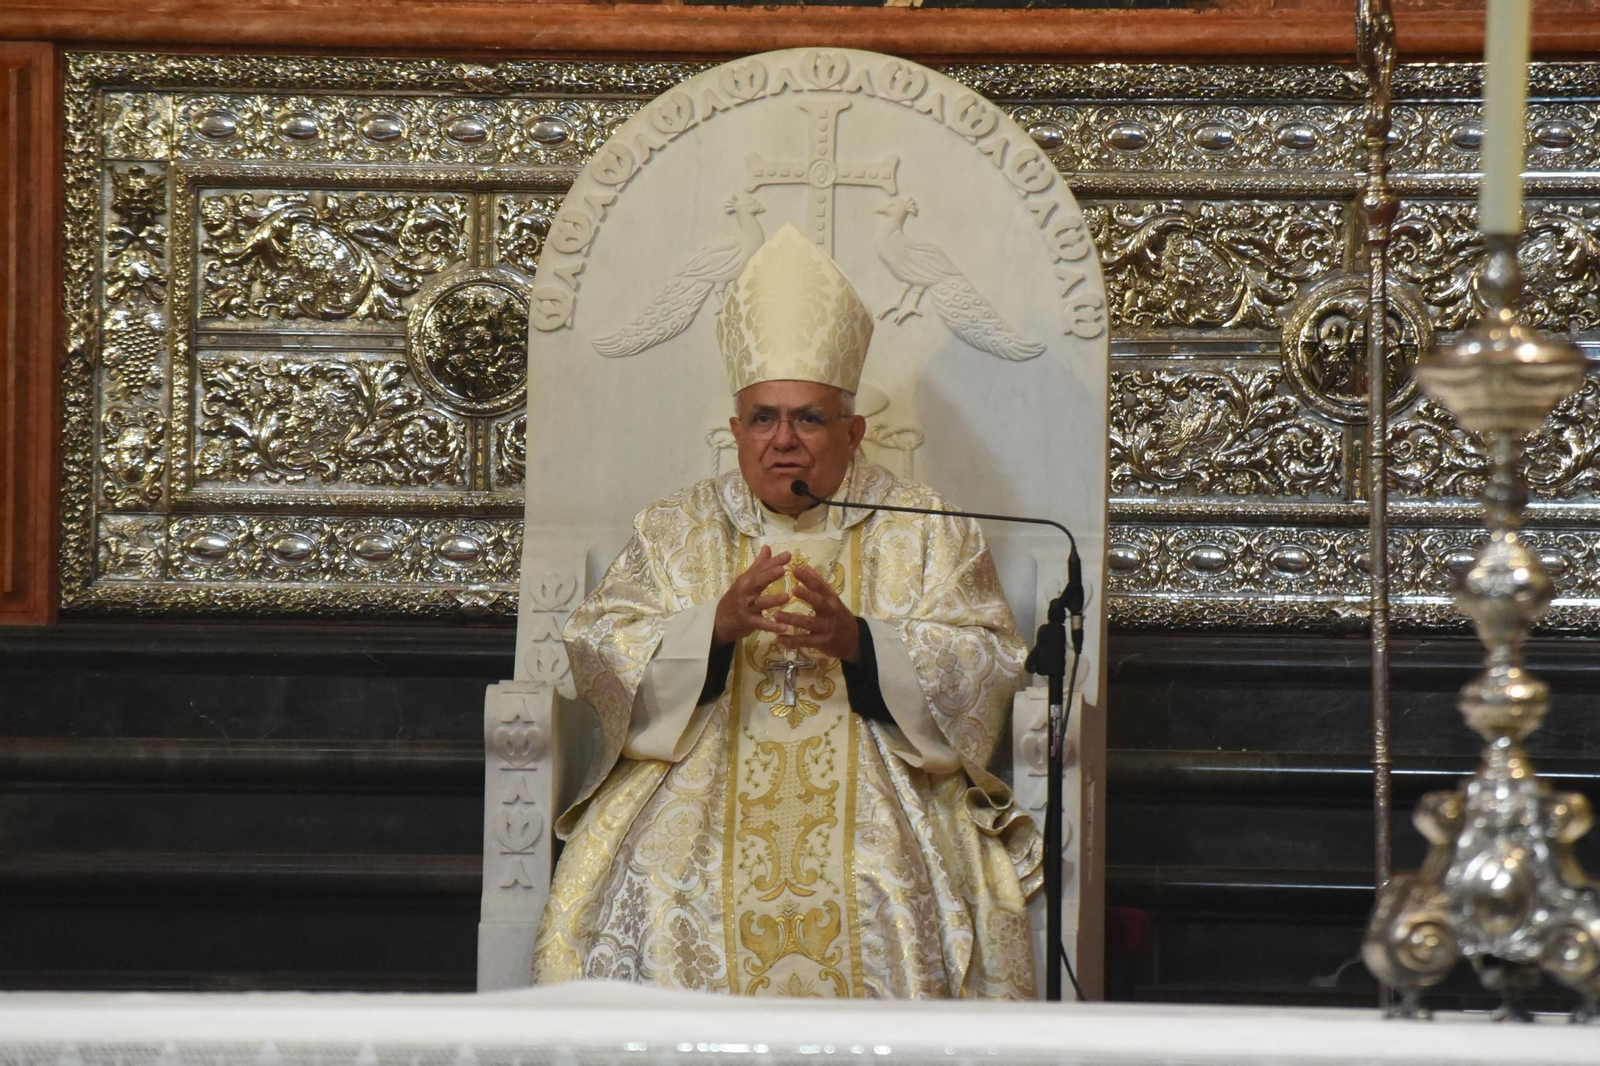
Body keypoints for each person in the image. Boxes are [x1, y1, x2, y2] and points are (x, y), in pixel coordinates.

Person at [533, 224, 1039, 999]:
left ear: (853, 432)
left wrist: (863, 643)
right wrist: (711, 630)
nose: (784, 442)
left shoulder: (924, 525)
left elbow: (988, 657)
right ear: (736, 432)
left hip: (881, 791)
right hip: (697, 784)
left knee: (883, 884)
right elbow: (600, 647)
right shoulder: (675, 527)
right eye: (764, 419)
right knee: (663, 885)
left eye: (808, 418)